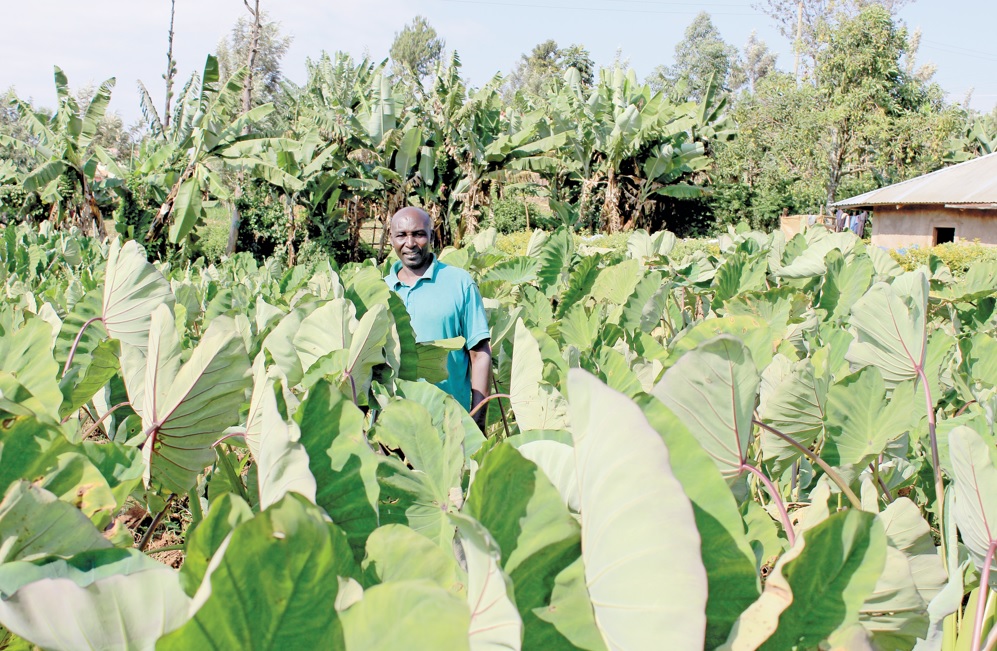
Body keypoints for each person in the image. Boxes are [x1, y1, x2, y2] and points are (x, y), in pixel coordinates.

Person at [384, 206, 492, 430]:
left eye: (419, 234)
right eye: (401, 235)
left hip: (449, 422)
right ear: (390, 238)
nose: (410, 243)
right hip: (394, 425)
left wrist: (477, 420)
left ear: (432, 236)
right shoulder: (382, 290)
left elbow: (480, 354)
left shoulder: (459, 282)